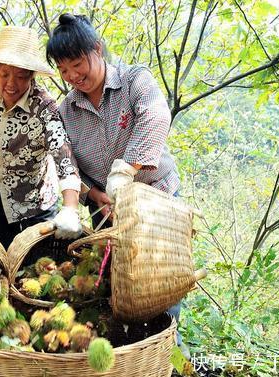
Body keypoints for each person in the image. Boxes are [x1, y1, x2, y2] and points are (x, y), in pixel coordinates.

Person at [46, 14, 189, 358]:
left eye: (78, 64)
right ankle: (125, 359)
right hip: (106, 212)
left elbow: (156, 115)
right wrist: (95, 195)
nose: (73, 76)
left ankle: (167, 357)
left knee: (160, 290)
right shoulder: (67, 110)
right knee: (115, 290)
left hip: (158, 201)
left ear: (98, 49)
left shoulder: (134, 79)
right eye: (64, 71)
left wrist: (127, 169)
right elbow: (66, 164)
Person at [0, 25, 82, 249]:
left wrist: (70, 208)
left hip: (34, 203)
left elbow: (62, 152)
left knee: (35, 271)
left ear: (31, 75)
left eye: (20, 76)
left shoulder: (43, 105)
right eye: (3, 74)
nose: (11, 84)